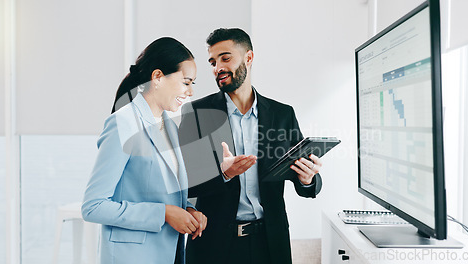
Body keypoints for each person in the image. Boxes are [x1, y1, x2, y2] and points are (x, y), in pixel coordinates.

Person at [179, 28, 322, 264]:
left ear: (249, 58)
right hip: (213, 245)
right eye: (213, 62)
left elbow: (303, 176)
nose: (218, 68)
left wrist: (308, 179)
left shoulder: (282, 114)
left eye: (225, 58)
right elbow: (184, 183)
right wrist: (224, 173)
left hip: (269, 243)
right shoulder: (196, 113)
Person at [82, 37, 207, 264]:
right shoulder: (124, 123)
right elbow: (93, 206)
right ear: (158, 77)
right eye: (186, 82)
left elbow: (161, 189)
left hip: (169, 253)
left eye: (192, 84)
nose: (190, 92)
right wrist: (164, 213)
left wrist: (187, 209)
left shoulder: (169, 124)